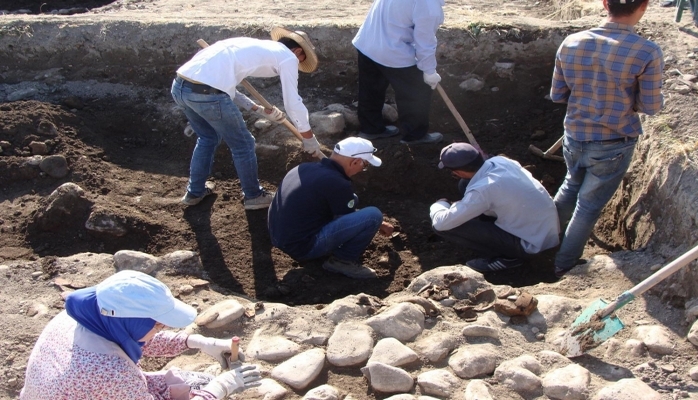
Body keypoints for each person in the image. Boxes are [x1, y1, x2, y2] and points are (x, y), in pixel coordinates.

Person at [550, 0, 664, 278]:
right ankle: (563, 264)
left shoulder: (572, 42)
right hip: (613, 142)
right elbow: (651, 106)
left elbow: (557, 94)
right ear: (644, 7)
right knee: (588, 206)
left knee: (570, 186)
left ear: (604, 4)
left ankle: (540, 243)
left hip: (575, 135)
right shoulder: (647, 51)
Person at [21, 270, 262, 400]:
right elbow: (118, 372)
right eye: (157, 325)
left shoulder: (80, 319)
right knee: (200, 386)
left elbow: (136, 339)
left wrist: (196, 342)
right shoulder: (113, 373)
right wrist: (220, 389)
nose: (161, 329)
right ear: (132, 324)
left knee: (191, 382)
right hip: (96, 386)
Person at [171, 27, 324, 209]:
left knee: (208, 137)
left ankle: (194, 192)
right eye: (300, 61)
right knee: (243, 144)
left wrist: (258, 109)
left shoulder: (246, 46)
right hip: (208, 94)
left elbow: (223, 84)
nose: (296, 65)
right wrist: (308, 138)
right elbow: (293, 103)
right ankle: (253, 196)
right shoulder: (288, 57)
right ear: (297, 51)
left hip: (180, 88)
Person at [268, 137, 394, 279]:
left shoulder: (304, 168)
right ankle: (342, 261)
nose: (362, 170)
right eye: (364, 165)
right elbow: (345, 218)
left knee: (352, 198)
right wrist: (378, 223)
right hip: (303, 247)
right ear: (355, 162)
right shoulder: (337, 183)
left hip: (279, 237)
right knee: (373, 216)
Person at [429, 143, 560, 273]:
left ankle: (510, 258)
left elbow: (441, 223)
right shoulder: (501, 161)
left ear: (458, 172)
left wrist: (440, 204)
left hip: (530, 244)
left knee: (447, 226)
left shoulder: (483, 190)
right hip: (546, 227)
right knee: (465, 184)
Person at [352, 0, 445, 145]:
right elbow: (425, 42)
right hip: (393, 50)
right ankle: (415, 135)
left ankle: (371, 129)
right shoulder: (428, 5)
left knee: (370, 90)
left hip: (367, 44)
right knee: (416, 92)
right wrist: (429, 71)